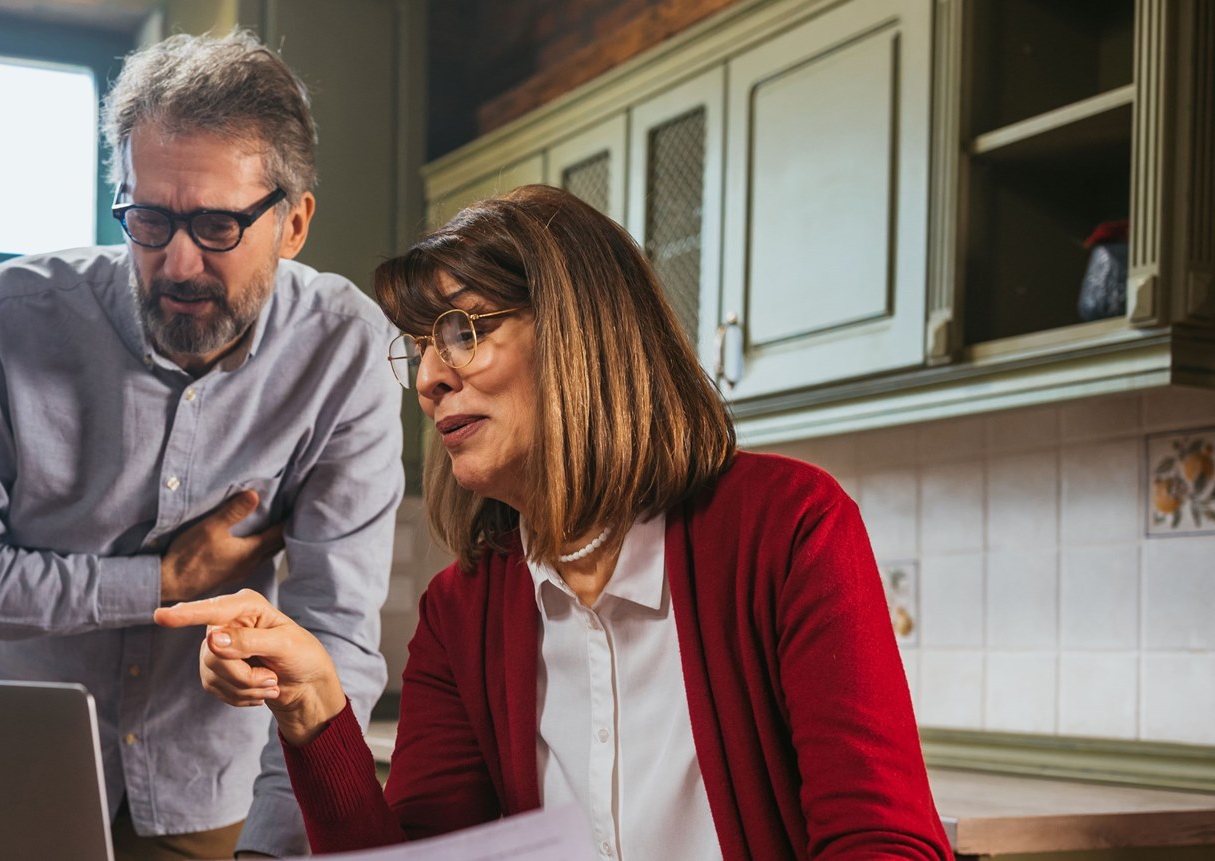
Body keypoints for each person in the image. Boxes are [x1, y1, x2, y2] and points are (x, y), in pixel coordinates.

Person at [157, 185, 953, 860]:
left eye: (463, 331)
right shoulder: (460, 613)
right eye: (421, 349)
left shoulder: (786, 528)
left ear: (579, 331)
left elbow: (884, 841)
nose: (429, 377)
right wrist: (314, 711)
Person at [0, 29, 403, 861]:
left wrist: (274, 847)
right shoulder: (3, 320)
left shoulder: (347, 351)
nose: (178, 262)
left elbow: (334, 635)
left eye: (218, 225)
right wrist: (154, 583)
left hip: (208, 793)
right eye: (149, 219)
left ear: (295, 221)